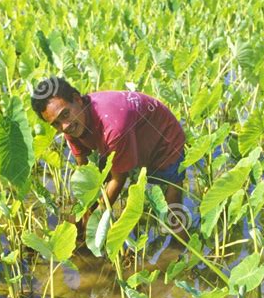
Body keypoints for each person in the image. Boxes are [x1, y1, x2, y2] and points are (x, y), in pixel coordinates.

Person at [31, 76, 186, 231]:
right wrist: (83, 213)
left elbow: (119, 180)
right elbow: (85, 174)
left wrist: (93, 222)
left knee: (170, 205)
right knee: (107, 175)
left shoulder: (113, 127)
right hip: (130, 138)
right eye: (56, 124)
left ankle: (177, 245)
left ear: (77, 100)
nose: (64, 126)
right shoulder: (70, 124)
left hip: (164, 138)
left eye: (65, 114)